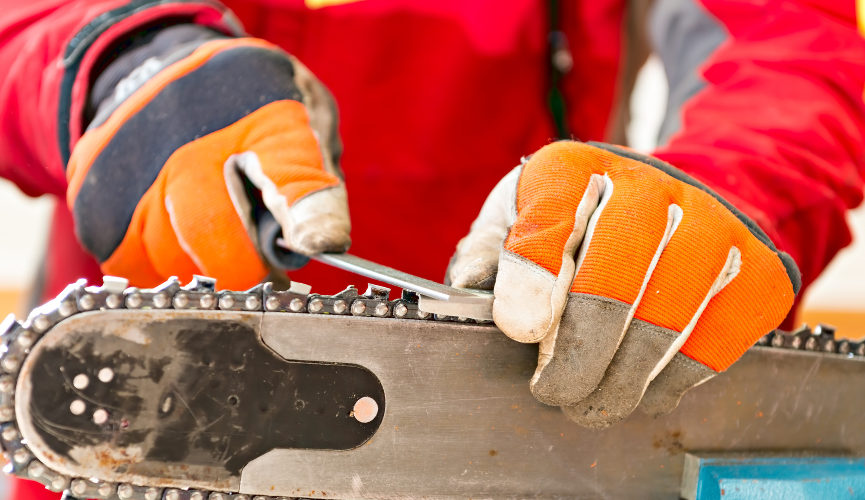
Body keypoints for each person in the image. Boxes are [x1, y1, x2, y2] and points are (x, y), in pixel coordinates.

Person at [1, 0, 863, 498]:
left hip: (538, 414)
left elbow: (783, 47)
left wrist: (729, 186)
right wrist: (121, 60)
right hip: (154, 422)